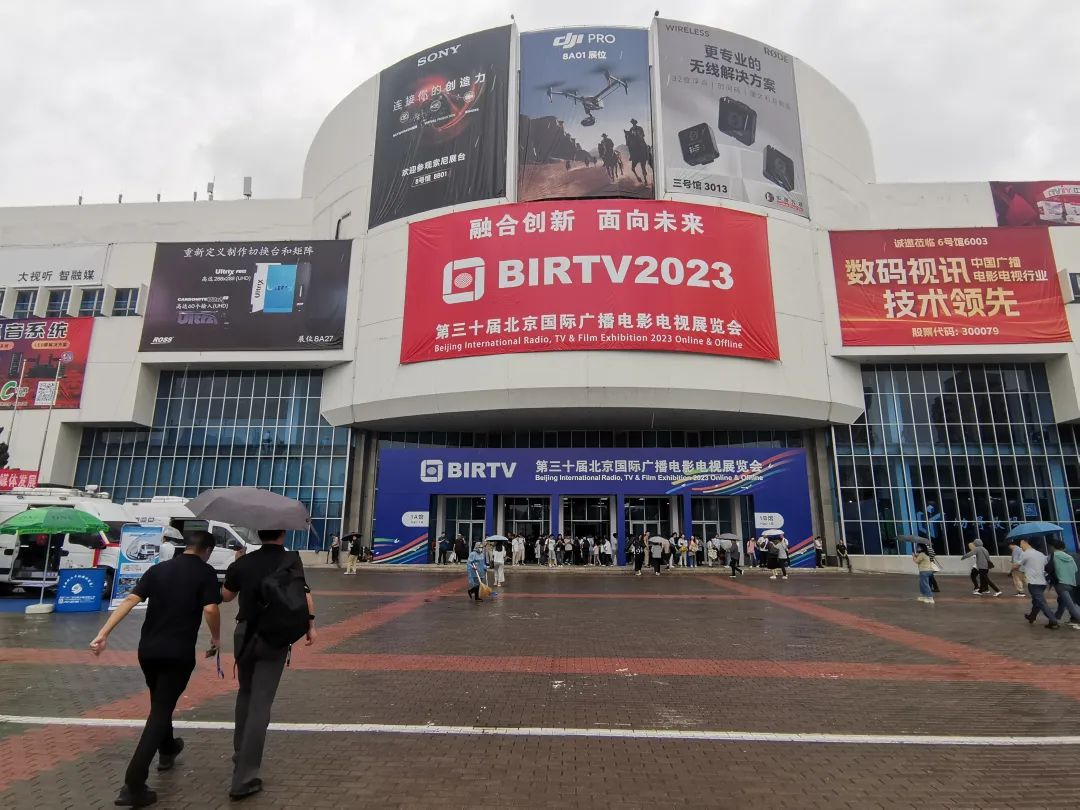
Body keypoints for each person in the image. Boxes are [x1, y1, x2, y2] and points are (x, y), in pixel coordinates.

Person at [90, 531, 221, 808]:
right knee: (161, 709)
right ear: (207, 550)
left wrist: (103, 633)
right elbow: (210, 609)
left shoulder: (158, 569)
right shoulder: (205, 572)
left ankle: (168, 748)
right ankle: (134, 784)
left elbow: (129, 600)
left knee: (160, 701)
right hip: (178, 653)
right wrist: (216, 638)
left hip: (148, 651)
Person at [221, 529, 317, 800]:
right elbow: (303, 594)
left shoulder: (243, 562)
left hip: (244, 633)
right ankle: (245, 778)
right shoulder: (290, 561)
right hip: (274, 636)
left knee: (245, 693)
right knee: (261, 703)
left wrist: (237, 565)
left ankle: (240, 755)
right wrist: (310, 625)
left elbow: (226, 596)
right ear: (282, 534)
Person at [1018, 538, 1059, 629]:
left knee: (1041, 602)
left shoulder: (1025, 553)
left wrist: (1012, 569)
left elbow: (1017, 565)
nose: (1020, 545)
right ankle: (1032, 617)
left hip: (1033, 583)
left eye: (1020, 543)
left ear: (1025, 542)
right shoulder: (1041, 554)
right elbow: (1046, 566)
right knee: (1037, 601)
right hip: (1042, 582)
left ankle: (1053, 620)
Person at [1049, 538, 1080, 628]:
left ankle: (1076, 618)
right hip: (1071, 583)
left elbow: (1049, 568)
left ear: (1053, 547)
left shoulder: (1053, 555)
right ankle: (1056, 618)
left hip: (1061, 583)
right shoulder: (1070, 556)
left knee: (1071, 605)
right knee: (1063, 601)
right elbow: (1075, 569)